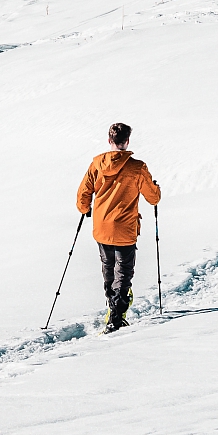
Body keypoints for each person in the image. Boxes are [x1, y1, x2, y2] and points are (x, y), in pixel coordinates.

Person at [75, 121, 161, 332]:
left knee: (108, 266)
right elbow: (153, 197)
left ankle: (111, 303)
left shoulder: (97, 164)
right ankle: (117, 314)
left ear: (109, 140)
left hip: (102, 226)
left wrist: (84, 208)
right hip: (125, 228)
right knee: (123, 271)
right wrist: (156, 189)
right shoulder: (137, 167)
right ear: (127, 141)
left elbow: (83, 193)